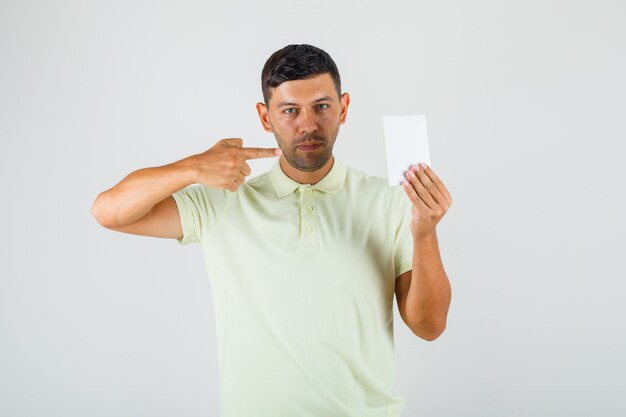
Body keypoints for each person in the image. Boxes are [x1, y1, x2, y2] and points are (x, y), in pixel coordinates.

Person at [92, 43, 452, 417]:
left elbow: (429, 326)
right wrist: (193, 167)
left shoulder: (391, 201)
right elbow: (109, 211)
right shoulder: (223, 202)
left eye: (322, 106)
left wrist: (425, 232)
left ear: (343, 108)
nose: (308, 124)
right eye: (290, 111)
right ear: (265, 117)